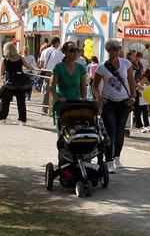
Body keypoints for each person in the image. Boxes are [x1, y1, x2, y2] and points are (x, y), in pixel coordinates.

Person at [92, 40, 136, 173]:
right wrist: (99, 98)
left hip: (123, 102)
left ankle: (117, 157)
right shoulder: (102, 67)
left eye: (119, 48)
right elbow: (94, 86)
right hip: (109, 102)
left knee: (120, 132)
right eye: (115, 49)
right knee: (110, 131)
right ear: (109, 50)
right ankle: (109, 160)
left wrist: (133, 97)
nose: (118, 51)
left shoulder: (126, 63)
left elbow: (131, 82)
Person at [0, 42, 34, 125]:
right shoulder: (20, 58)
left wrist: (3, 78)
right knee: (21, 102)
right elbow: (28, 67)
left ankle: (2, 118)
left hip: (9, 83)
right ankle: (22, 120)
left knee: (5, 101)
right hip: (21, 83)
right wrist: (34, 69)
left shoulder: (4, 60)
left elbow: (2, 73)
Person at [49, 41, 88, 120]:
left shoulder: (81, 68)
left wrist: (83, 98)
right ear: (64, 52)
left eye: (77, 50)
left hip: (75, 104)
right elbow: (51, 88)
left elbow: (83, 87)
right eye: (72, 50)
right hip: (62, 104)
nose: (75, 53)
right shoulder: (58, 67)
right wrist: (58, 98)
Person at [38, 37, 64, 114]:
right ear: (56, 43)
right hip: (56, 73)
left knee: (47, 90)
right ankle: (53, 109)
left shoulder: (44, 51)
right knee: (55, 90)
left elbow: (41, 64)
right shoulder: (60, 54)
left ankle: (44, 109)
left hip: (46, 72)